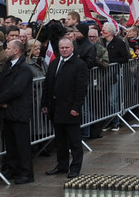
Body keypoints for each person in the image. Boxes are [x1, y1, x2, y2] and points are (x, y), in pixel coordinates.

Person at [43, 37, 88, 179]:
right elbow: (47, 84)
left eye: (67, 48)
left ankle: (75, 167)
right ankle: (62, 165)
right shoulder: (54, 63)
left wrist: (76, 107)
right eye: (62, 48)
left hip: (70, 108)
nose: (64, 50)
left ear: (72, 48)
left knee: (74, 141)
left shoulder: (79, 64)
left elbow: (81, 89)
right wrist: (44, 104)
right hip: (55, 108)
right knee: (60, 140)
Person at [0, 39, 34, 184]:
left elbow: (17, 89)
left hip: (19, 111)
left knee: (22, 144)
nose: (6, 50)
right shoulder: (7, 65)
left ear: (16, 50)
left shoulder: (24, 68)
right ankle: (14, 169)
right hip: (8, 111)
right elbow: (0, 84)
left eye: (8, 48)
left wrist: (2, 98)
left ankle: (26, 173)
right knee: (11, 143)